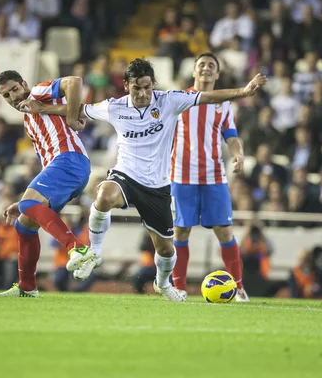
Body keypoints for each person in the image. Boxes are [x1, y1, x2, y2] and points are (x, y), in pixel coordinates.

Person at [20, 58, 267, 301]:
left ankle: (163, 284)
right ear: (127, 86)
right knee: (104, 194)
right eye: (137, 88)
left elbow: (209, 97)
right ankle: (94, 251)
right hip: (126, 175)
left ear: (153, 84)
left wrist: (243, 92)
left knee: (167, 250)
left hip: (158, 186)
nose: (142, 93)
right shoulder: (114, 106)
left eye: (147, 87)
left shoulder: (169, 101)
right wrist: (43, 109)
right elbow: (78, 109)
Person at [0, 71, 93, 298]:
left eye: (15, 90)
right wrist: (23, 203)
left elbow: (75, 81)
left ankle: (77, 248)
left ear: (24, 85)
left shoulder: (38, 92)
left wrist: (66, 116)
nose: (13, 98)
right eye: (6, 95)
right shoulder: (29, 120)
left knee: (28, 205)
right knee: (24, 225)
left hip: (69, 159)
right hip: (62, 168)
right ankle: (27, 287)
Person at [169, 52, 249, 301]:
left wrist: (238, 154)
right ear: (194, 71)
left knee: (224, 231)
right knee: (180, 232)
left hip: (213, 176)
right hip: (181, 176)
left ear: (217, 74)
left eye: (211, 66)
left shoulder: (224, 104)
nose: (205, 68)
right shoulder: (178, 99)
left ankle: (239, 287)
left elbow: (231, 136)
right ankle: (179, 287)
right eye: (201, 64)